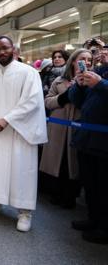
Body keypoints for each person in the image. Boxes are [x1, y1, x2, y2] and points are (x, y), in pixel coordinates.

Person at [0, 36, 47, 232]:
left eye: (5, 48)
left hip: (18, 131)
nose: (1, 52)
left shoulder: (29, 72)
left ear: (13, 49)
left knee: (21, 171)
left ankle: (24, 212)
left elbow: (32, 102)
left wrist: (6, 120)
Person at [39, 49, 88, 209]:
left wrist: (81, 88)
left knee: (72, 162)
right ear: (73, 61)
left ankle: (70, 196)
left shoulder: (93, 80)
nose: (86, 63)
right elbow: (47, 101)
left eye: (89, 60)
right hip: (58, 127)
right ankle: (55, 192)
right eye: (82, 59)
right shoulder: (59, 81)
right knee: (57, 160)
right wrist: (65, 95)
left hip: (77, 126)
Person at [68, 49, 108, 245]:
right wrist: (80, 85)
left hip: (104, 143)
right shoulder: (99, 74)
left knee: (104, 187)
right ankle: (93, 218)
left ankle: (104, 227)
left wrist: (100, 84)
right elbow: (77, 101)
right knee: (90, 183)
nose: (101, 57)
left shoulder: (101, 80)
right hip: (88, 140)